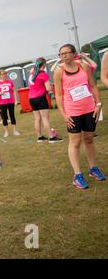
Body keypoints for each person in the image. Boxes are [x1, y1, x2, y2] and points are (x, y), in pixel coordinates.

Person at [53, 44, 105, 189]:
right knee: (75, 142)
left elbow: (93, 86)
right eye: (61, 54)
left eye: (66, 53)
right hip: (72, 112)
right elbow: (58, 94)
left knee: (89, 139)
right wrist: (63, 114)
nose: (63, 56)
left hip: (89, 109)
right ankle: (78, 175)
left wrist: (98, 104)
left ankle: (93, 169)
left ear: (74, 53)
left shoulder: (84, 66)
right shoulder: (59, 72)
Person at [28, 58, 63, 143]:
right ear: (44, 65)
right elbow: (48, 88)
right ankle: (51, 137)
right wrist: (49, 86)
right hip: (40, 98)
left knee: (37, 118)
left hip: (31, 98)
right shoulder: (43, 74)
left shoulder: (32, 73)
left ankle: (40, 137)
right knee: (45, 118)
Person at [0, 70, 20, 137]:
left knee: (12, 116)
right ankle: (6, 132)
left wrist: (16, 100)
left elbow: (14, 90)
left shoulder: (10, 81)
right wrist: (0, 93)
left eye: (5, 74)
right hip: (2, 103)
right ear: (0, 75)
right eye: (3, 74)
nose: (4, 75)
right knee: (4, 117)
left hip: (10, 101)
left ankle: (15, 131)